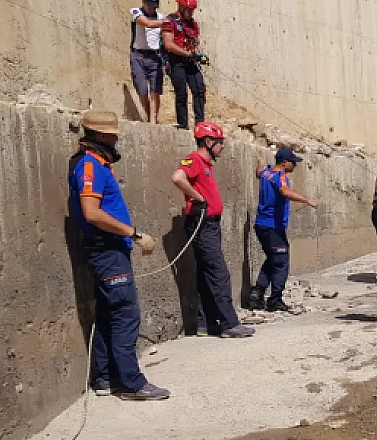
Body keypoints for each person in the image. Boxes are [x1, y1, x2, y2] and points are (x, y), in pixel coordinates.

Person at [68, 110, 170, 400]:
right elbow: (91, 212)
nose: (115, 139)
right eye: (112, 135)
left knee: (108, 313)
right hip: (107, 251)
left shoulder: (95, 163)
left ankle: (104, 378)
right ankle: (131, 383)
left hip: (107, 250)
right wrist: (133, 233)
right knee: (125, 314)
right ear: (101, 135)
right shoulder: (90, 166)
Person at [171, 121, 254, 338]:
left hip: (208, 224)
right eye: (219, 143)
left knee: (205, 274)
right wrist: (199, 198)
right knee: (218, 274)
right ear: (208, 142)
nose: (222, 147)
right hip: (202, 225)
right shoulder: (195, 160)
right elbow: (177, 177)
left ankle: (204, 323)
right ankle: (229, 324)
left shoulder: (206, 165)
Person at [248, 147, 319, 312]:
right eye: (293, 162)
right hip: (273, 226)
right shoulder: (281, 177)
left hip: (261, 225)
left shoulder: (266, 173)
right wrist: (307, 200)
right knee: (281, 262)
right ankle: (275, 300)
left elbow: (259, 172)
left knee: (272, 258)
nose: (295, 165)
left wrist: (260, 163)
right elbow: (284, 191)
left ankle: (257, 293)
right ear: (285, 163)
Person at [162, 0, 208, 130]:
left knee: (199, 90)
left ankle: (200, 124)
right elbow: (168, 44)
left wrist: (201, 55)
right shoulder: (169, 21)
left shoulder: (193, 24)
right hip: (176, 61)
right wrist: (187, 54)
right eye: (188, 10)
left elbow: (195, 43)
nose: (190, 13)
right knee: (181, 92)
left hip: (191, 61)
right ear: (181, 7)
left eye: (192, 10)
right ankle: (183, 124)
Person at [129, 0, 165, 124]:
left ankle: (153, 120)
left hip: (154, 56)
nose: (152, 9)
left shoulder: (161, 17)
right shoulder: (136, 12)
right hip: (138, 55)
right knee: (142, 89)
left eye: (154, 7)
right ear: (143, 3)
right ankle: (150, 114)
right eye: (149, 6)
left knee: (155, 90)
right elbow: (146, 23)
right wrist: (166, 23)